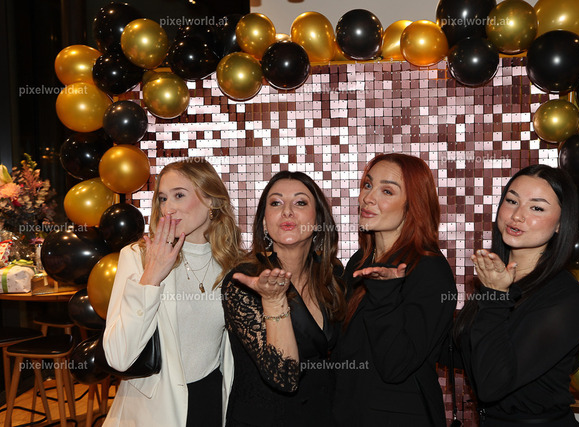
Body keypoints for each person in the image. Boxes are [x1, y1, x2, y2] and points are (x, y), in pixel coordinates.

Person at [102, 160, 244, 427]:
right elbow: (119, 357)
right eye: (163, 198)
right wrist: (151, 277)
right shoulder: (138, 257)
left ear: (211, 201)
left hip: (211, 401)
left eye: (179, 195)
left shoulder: (232, 264)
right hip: (153, 410)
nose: (168, 208)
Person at [453, 164, 579, 426]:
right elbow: (469, 354)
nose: (517, 215)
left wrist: (495, 296)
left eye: (536, 208)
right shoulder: (498, 278)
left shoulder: (566, 298)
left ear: (561, 223)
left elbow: (492, 384)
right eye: (512, 201)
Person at [332, 153, 457, 427]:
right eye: (368, 185)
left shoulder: (429, 269)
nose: (368, 198)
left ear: (413, 206)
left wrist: (385, 293)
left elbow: (396, 366)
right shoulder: (360, 261)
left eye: (387, 191)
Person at [222, 171, 346, 427]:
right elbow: (284, 376)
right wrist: (274, 300)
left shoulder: (331, 274)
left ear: (318, 219)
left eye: (300, 202)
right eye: (276, 203)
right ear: (264, 222)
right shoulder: (244, 281)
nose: (287, 212)